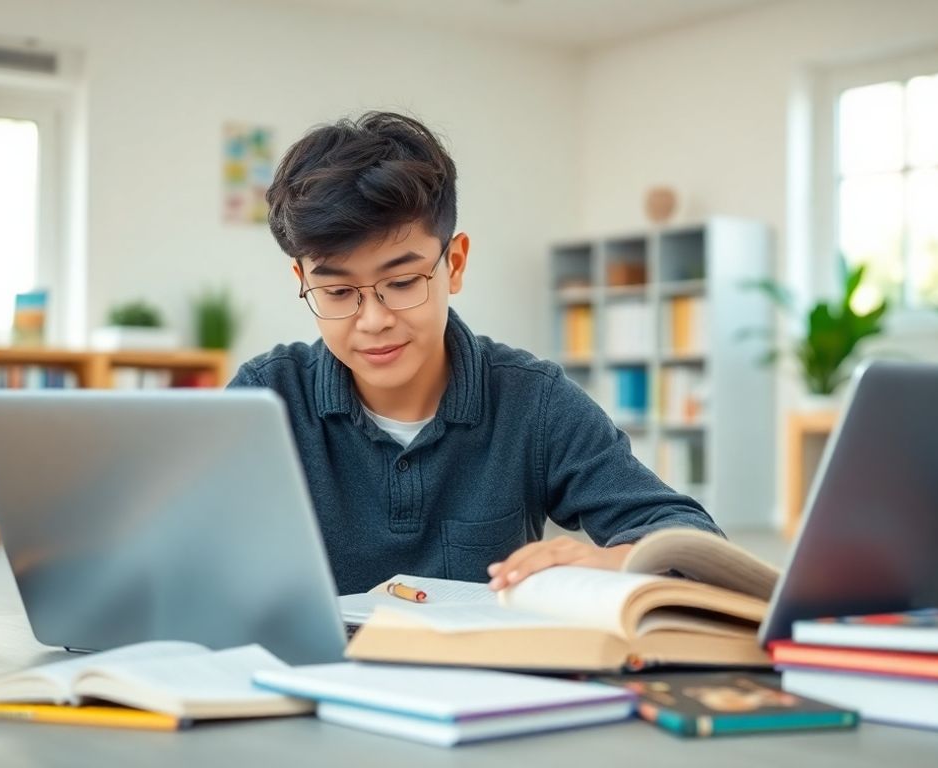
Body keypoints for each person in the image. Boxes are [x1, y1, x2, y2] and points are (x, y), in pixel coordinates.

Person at [229, 111, 719, 595]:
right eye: (337, 293)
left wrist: (611, 559)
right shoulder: (265, 397)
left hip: (478, 671)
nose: (373, 320)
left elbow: (696, 542)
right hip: (308, 671)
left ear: (455, 264)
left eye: (401, 283)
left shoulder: (532, 400)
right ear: (302, 283)